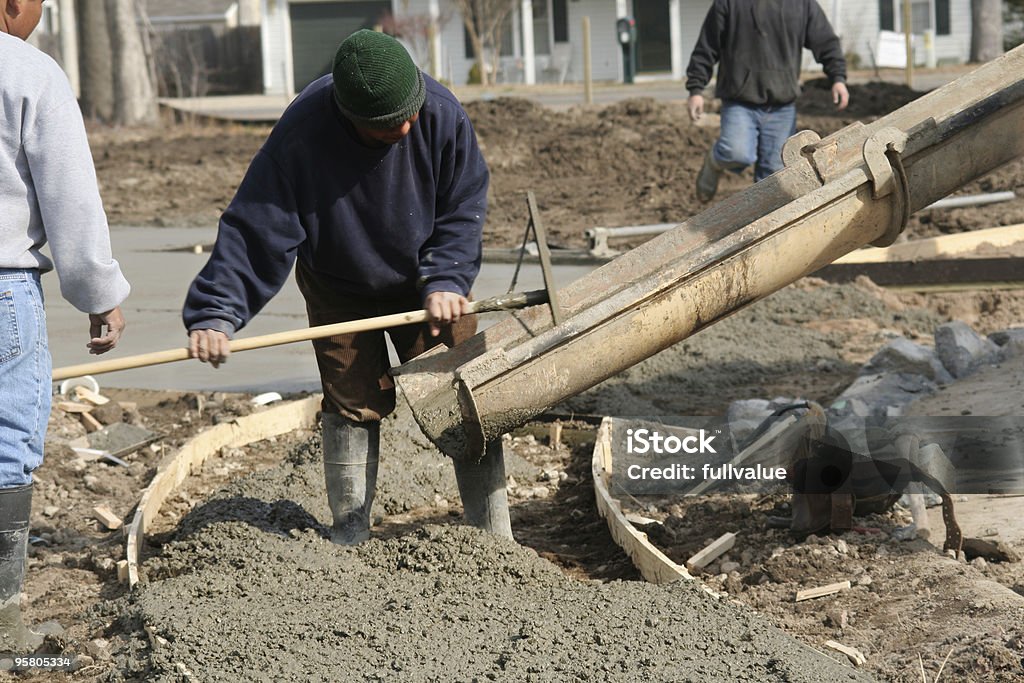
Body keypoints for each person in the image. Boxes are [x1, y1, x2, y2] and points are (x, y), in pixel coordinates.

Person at [183, 30, 512, 545]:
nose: (406, 126)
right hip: (337, 281)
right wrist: (216, 310)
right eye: (388, 126)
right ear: (349, 116)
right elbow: (257, 228)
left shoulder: (441, 113)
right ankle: (350, 534)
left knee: (469, 395)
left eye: (410, 114)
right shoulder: (303, 133)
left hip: (427, 281)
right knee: (352, 402)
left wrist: (447, 276)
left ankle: (493, 537)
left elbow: (462, 205)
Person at [1, 0, 129, 653]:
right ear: (12, 6)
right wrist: (99, 295)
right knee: (5, 450)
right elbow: (70, 199)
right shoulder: (28, 73)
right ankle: (3, 630)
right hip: (3, 289)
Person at [685, 0, 850, 201]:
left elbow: (825, 41)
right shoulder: (728, 4)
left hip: (782, 106)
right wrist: (696, 89)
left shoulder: (802, 5)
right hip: (739, 101)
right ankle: (714, 161)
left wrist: (838, 78)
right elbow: (707, 46)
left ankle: (761, 226)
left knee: (773, 177)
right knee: (735, 153)